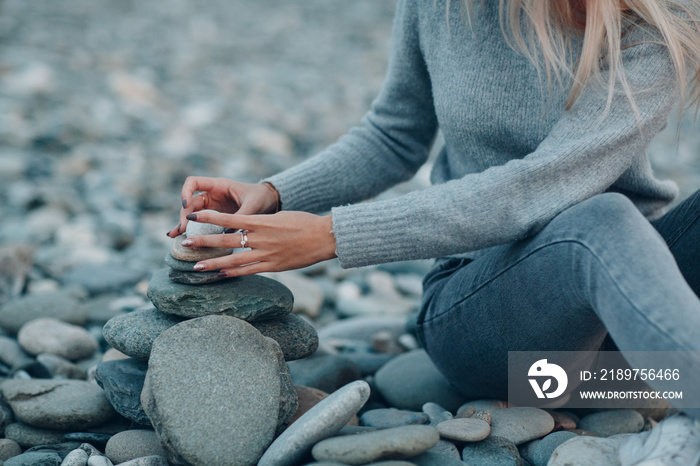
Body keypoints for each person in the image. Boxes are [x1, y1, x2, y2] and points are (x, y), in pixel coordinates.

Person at [166, 0, 700, 463]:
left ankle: (679, 394)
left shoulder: (652, 20)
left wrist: (333, 234)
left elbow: (541, 184)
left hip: (622, 362)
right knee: (599, 223)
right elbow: (394, 134)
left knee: (602, 221)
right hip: (502, 344)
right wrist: (278, 193)